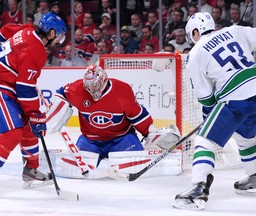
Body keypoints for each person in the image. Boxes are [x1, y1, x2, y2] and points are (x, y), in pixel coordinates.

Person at [173, 12, 256, 210]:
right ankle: (255, 179)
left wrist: (209, 120)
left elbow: (206, 98)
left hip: (236, 98)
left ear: (195, 32)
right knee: (244, 137)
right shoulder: (234, 31)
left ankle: (199, 188)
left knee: (205, 140)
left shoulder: (196, 53)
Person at [46, 65, 180, 170]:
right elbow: (62, 93)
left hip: (121, 138)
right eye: (89, 88)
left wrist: (151, 132)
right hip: (90, 140)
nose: (93, 91)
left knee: (135, 162)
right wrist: (57, 110)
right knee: (77, 166)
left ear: (103, 80)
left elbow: (138, 116)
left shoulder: (122, 90)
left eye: (95, 86)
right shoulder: (78, 89)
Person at [0, 12, 66, 188]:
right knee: (12, 132)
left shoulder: (28, 30)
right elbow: (25, 88)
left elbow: (5, 30)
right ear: (51, 33)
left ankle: (30, 169)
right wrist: (36, 113)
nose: (59, 41)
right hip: (3, 85)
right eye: (58, 36)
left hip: (9, 85)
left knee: (29, 126)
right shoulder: (36, 50)